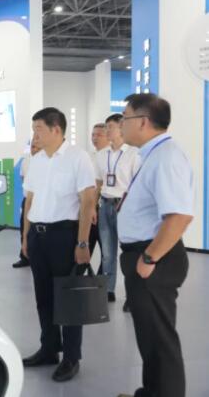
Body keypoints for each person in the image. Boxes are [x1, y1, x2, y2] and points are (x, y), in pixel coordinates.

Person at [116, 94, 193, 397]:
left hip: (154, 258)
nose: (120, 124)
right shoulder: (152, 155)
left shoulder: (166, 157)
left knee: (160, 340)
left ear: (143, 122)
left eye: (125, 118)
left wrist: (149, 258)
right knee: (149, 337)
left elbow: (179, 216)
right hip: (145, 255)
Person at [21, 107, 95, 382]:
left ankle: (71, 357)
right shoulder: (37, 160)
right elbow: (30, 200)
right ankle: (49, 348)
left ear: (56, 129)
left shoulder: (78, 157)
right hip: (38, 236)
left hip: (65, 236)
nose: (35, 135)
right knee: (43, 297)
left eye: (39, 129)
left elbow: (88, 201)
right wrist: (25, 237)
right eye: (33, 129)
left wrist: (83, 242)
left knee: (69, 298)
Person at [94, 114, 139, 306]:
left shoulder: (133, 153)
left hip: (124, 206)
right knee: (107, 252)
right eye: (105, 127)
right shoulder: (101, 155)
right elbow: (98, 182)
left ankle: (132, 295)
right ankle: (108, 290)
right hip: (105, 204)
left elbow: (137, 183)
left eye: (110, 127)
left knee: (129, 252)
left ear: (121, 128)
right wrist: (93, 207)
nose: (106, 131)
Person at [13, 140, 41, 268]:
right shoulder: (26, 161)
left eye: (37, 147)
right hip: (27, 200)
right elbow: (23, 179)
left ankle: (37, 257)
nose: (34, 149)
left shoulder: (46, 160)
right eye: (32, 146)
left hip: (40, 201)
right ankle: (25, 257)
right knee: (24, 228)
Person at [89, 123, 109, 258]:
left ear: (108, 136)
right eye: (93, 135)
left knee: (106, 250)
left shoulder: (111, 156)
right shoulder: (89, 156)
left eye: (99, 135)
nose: (95, 138)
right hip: (89, 205)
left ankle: (103, 272)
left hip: (103, 205)